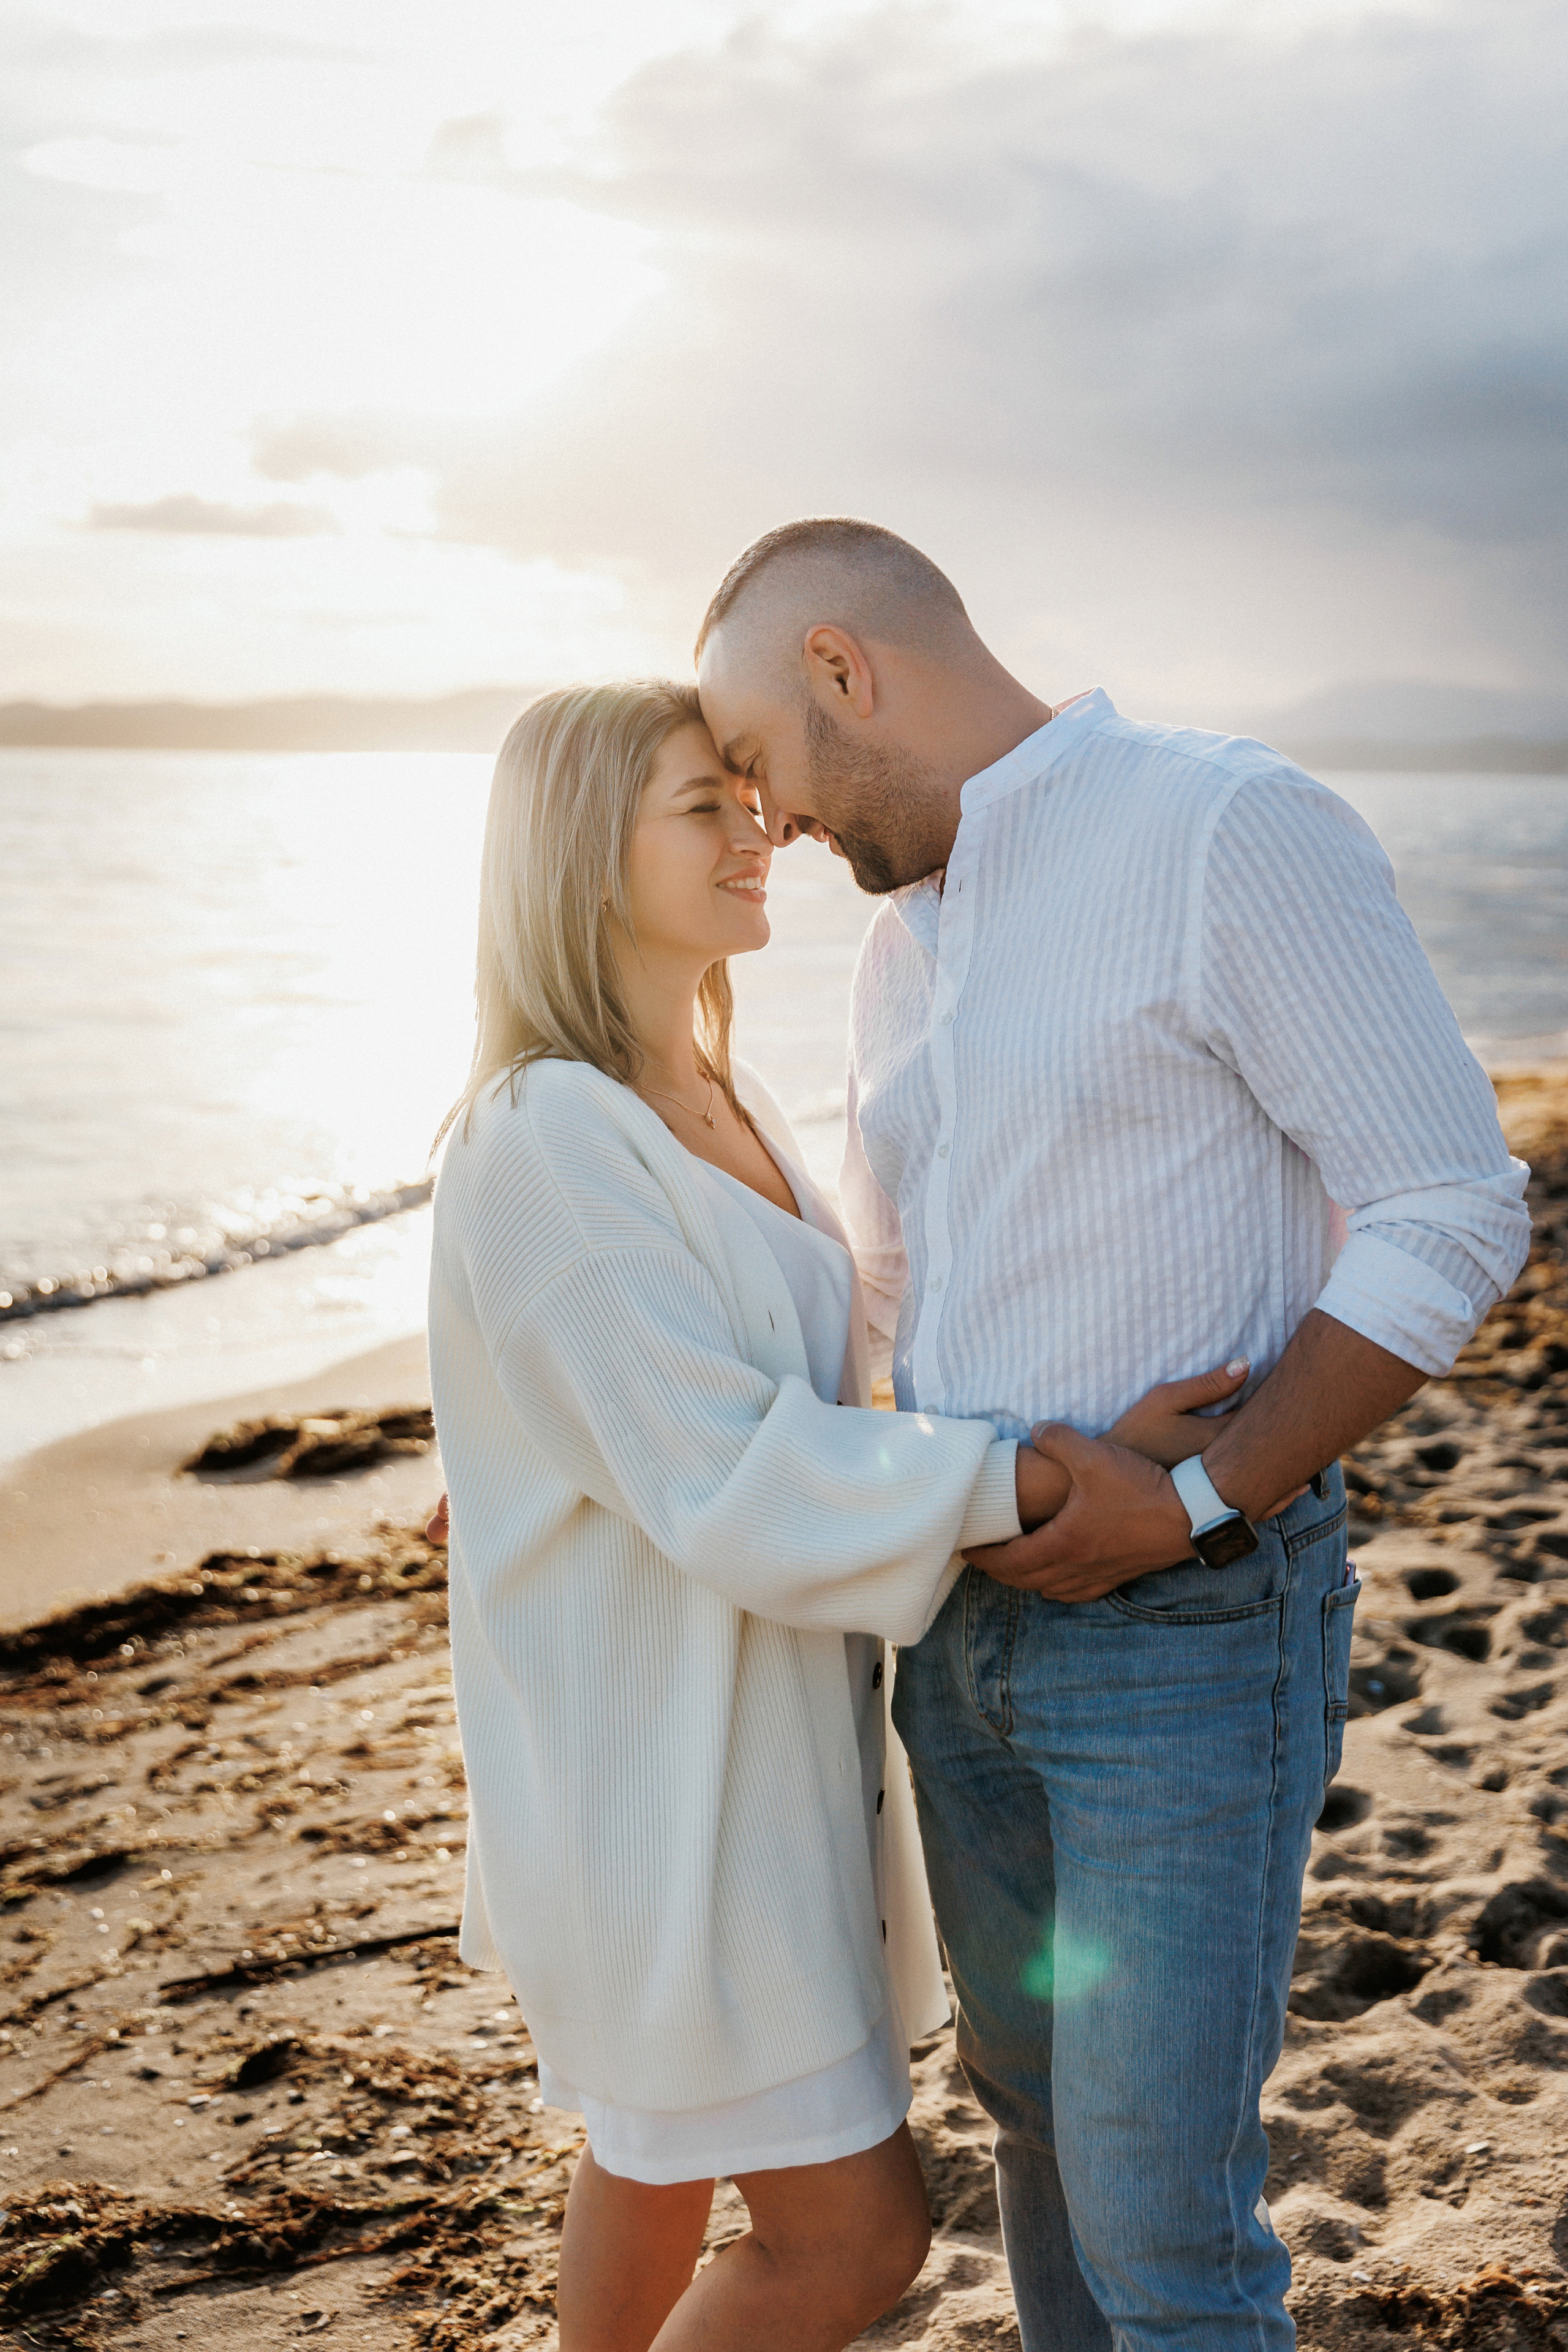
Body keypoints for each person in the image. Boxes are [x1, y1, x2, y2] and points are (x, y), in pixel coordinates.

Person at [694, 518, 1532, 2351]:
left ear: (845, 667)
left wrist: (1205, 1496)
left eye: (762, 767)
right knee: (1041, 2157)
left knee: (1167, 2239)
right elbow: (892, 1299)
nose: (775, 829)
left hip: (1187, 1634)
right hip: (959, 1631)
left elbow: (1452, 1205)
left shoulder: (1226, 827)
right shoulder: (903, 948)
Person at [426, 679, 1238, 2352]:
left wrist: (1071, 1432)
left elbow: (825, 1393)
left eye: (746, 792)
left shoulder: (723, 1101)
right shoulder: (541, 1140)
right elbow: (731, 1469)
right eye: (698, 806)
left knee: (652, 2153)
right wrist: (1049, 1482)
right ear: (584, 857)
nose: (757, 830)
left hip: (747, 1744)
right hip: (654, 1777)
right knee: (853, 2239)